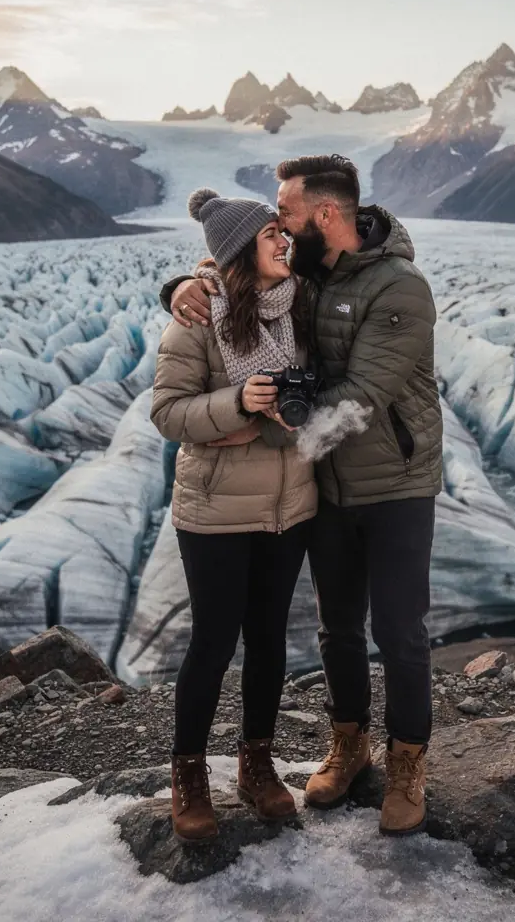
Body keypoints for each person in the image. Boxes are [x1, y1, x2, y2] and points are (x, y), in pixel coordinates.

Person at [163, 155, 442, 837]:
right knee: (336, 628)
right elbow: (233, 281)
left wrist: (251, 422)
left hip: (393, 482)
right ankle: (349, 744)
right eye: (273, 223)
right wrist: (183, 286)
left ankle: (407, 765)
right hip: (323, 485)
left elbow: (364, 394)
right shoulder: (306, 275)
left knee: (398, 631)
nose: (281, 226)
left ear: (323, 213)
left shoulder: (399, 286)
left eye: (285, 213)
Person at [151, 187, 317, 844]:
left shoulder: (299, 308)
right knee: (214, 642)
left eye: (283, 231)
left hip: (288, 505)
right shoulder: (196, 319)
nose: (284, 240)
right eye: (272, 233)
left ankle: (257, 764)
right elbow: (168, 413)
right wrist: (238, 403)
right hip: (216, 510)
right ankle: (189, 775)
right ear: (242, 249)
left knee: (269, 640)